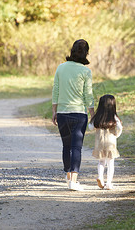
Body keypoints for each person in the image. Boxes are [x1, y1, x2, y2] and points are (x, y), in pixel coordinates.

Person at [52, 39, 95, 191]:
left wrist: (54, 111)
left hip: (62, 113)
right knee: (76, 147)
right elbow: (88, 95)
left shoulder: (61, 68)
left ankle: (68, 177)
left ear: (71, 51)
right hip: (79, 115)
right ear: (86, 53)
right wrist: (92, 113)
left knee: (66, 146)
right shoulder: (85, 71)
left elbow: (56, 90)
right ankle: (74, 181)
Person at [89, 94, 122, 190]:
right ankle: (108, 183)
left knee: (101, 162)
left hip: (99, 143)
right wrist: (117, 135)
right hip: (110, 143)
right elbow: (119, 127)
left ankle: (100, 177)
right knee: (110, 163)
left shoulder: (96, 117)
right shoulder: (114, 117)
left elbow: (90, 127)